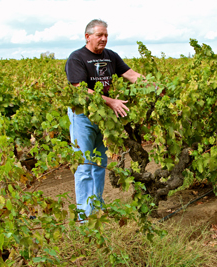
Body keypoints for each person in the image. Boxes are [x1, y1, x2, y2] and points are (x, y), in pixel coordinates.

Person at [65, 19, 143, 219]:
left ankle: (96, 209)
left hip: (104, 119)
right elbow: (81, 90)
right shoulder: (77, 58)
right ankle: (84, 216)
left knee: (99, 164)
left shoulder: (110, 56)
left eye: (106, 35)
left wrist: (153, 86)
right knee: (83, 166)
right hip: (82, 116)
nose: (104, 39)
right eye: (99, 35)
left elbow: (131, 74)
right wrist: (111, 102)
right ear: (87, 36)